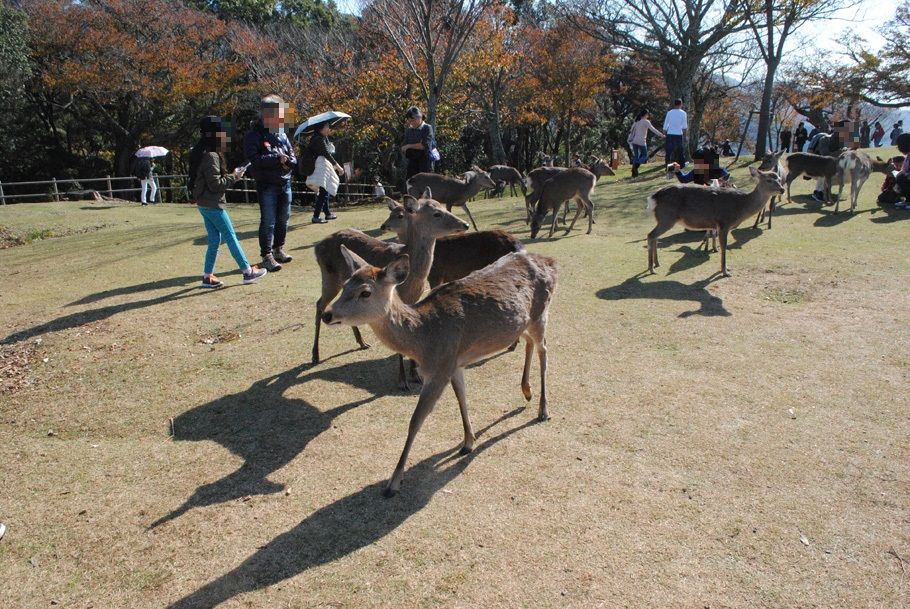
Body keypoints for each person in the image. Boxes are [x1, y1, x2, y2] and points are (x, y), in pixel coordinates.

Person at [188, 116, 267, 288]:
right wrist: (234, 176)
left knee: (214, 240)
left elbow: (211, 181)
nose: (225, 135)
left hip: (204, 204)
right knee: (231, 237)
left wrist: (232, 176)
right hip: (213, 204)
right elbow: (215, 185)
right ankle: (247, 272)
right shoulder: (211, 156)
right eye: (222, 131)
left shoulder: (203, 153)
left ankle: (207, 276)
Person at [242, 94, 297, 273]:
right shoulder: (253, 135)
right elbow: (254, 160)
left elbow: (294, 158)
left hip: (285, 181)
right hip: (266, 184)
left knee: (284, 219)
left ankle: (278, 248)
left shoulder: (282, 134)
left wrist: (288, 161)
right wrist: (276, 158)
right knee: (268, 221)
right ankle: (266, 256)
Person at [303, 120, 344, 224]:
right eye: (327, 126)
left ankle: (327, 214)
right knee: (324, 192)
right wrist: (338, 167)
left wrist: (328, 142)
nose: (328, 128)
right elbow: (327, 154)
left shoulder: (321, 138)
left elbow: (328, 151)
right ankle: (316, 216)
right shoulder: (318, 139)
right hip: (320, 168)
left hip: (321, 168)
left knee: (324, 191)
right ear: (321, 128)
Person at [627, 109, 664, 177]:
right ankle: (636, 165)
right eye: (648, 114)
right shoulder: (646, 122)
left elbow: (631, 130)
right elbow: (653, 130)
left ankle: (634, 173)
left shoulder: (636, 121)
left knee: (636, 156)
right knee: (644, 156)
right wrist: (661, 135)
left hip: (634, 141)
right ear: (646, 114)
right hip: (641, 141)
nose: (648, 116)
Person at [401, 106, 435, 179]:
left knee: (425, 185)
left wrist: (409, 146)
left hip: (425, 163)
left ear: (419, 117)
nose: (411, 123)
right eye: (409, 121)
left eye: (413, 120)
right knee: (410, 184)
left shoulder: (427, 128)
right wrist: (408, 146)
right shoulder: (409, 130)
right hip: (412, 163)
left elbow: (424, 145)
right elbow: (404, 146)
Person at [663, 99, 688, 166]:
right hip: (678, 134)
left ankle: (667, 163)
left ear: (674, 104)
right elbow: (684, 126)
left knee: (669, 150)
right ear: (681, 104)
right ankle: (682, 164)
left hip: (670, 133)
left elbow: (665, 124)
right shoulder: (683, 113)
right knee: (680, 150)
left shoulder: (669, 112)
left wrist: (664, 134)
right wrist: (685, 136)